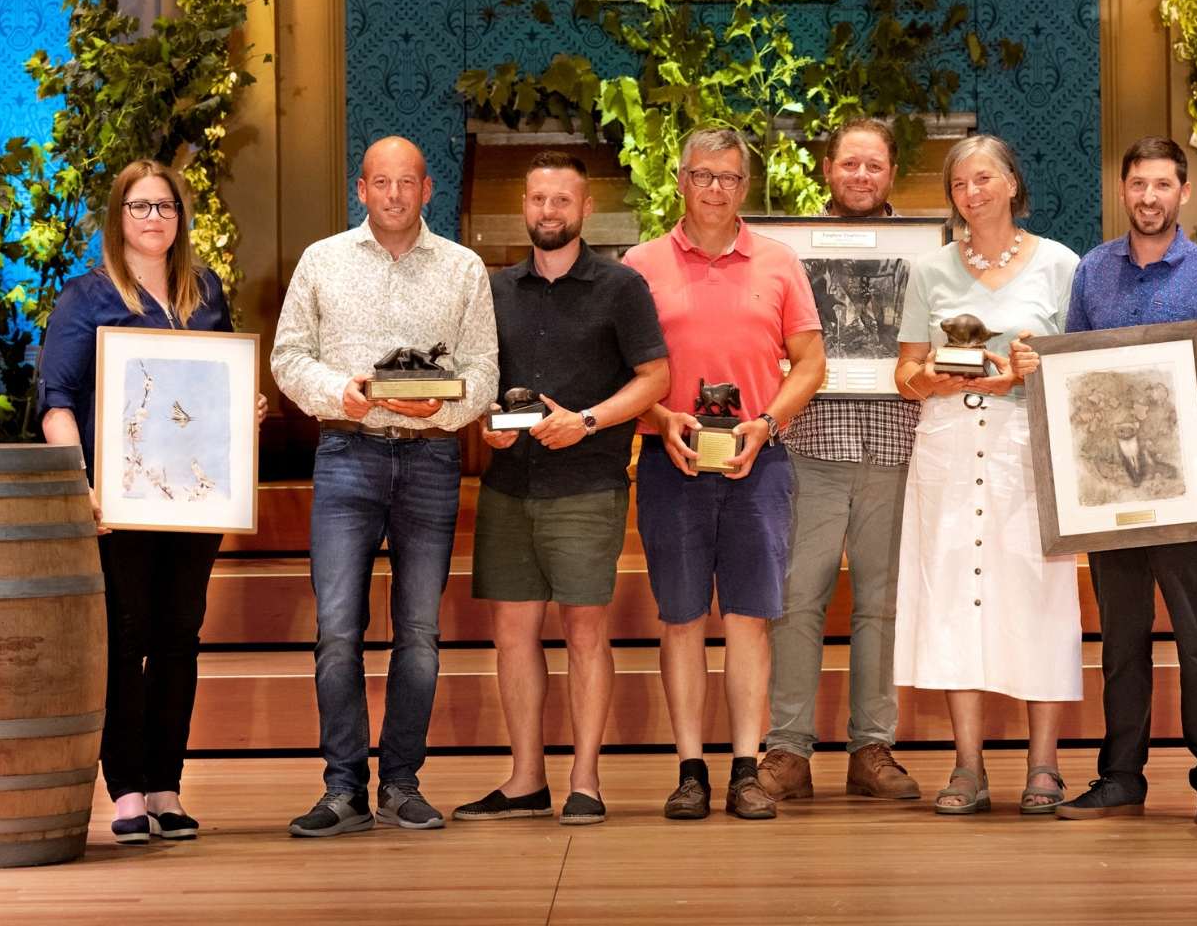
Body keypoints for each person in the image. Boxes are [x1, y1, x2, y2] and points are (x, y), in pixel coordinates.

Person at [270, 136, 498, 837]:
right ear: (361, 189)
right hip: (347, 455)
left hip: (431, 460)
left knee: (420, 633)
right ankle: (343, 789)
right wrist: (341, 392)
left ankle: (402, 783)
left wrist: (444, 412)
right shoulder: (322, 261)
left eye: (407, 182)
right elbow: (287, 358)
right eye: (381, 182)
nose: (394, 194)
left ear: (427, 190)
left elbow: (484, 368)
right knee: (338, 630)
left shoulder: (463, 268)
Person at [39, 159, 266, 844]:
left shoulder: (207, 291)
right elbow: (56, 402)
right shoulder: (85, 297)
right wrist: (79, 485)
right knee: (125, 638)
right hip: (119, 504)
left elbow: (215, 386)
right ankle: (128, 791)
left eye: (165, 206)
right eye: (139, 206)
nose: (153, 218)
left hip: (195, 500)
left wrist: (245, 404)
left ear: (180, 217)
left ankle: (167, 787)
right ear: (119, 216)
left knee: (178, 640)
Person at [456, 152, 670, 826]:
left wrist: (587, 421)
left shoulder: (621, 286)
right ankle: (526, 781)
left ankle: (585, 781)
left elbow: (656, 378)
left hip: (587, 483)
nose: (549, 211)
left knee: (584, 631)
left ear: (585, 209)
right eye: (538, 199)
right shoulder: (492, 288)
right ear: (524, 205)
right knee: (512, 634)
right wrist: (485, 426)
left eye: (562, 200)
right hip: (508, 484)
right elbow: (477, 383)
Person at [622, 126, 827, 821]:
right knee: (681, 619)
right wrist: (660, 419)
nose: (715, 188)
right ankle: (690, 772)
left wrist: (766, 422)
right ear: (681, 180)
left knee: (748, 621)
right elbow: (623, 372)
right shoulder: (640, 264)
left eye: (730, 177)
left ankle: (745, 770)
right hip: (669, 461)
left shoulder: (779, 263)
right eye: (703, 175)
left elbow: (810, 363)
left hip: (757, 464)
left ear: (746, 186)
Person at [1055, 135, 1197, 827]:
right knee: (1121, 643)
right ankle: (1120, 778)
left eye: (1162, 185)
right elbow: (1073, 380)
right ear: (1123, 189)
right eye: (1138, 184)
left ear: (1183, 193)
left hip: (1190, 493)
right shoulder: (1092, 273)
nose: (1149, 197)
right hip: (1108, 497)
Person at [890, 133, 1083, 816]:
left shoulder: (1061, 265)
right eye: (958, 184)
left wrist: (1035, 369)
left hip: (1026, 447)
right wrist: (933, 378)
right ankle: (967, 766)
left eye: (983, 179)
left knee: (1040, 595)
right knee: (952, 595)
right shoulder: (929, 270)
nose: (970, 193)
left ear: (1011, 184)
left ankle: (1044, 765)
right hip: (947, 442)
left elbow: (1079, 369)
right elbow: (905, 373)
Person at [758, 118, 922, 803]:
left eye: (873, 165)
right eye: (849, 163)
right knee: (797, 599)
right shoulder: (787, 255)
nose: (861, 176)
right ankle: (788, 749)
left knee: (882, 605)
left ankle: (871, 748)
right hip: (809, 446)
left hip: (896, 445)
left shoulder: (922, 254)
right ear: (826, 169)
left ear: (892, 174)